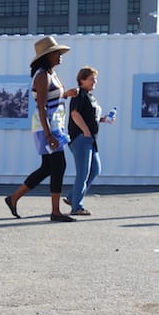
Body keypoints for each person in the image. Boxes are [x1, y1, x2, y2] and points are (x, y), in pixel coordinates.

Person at [5, 36, 78, 222]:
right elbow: (41, 106)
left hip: (53, 125)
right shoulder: (42, 75)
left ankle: (13, 198)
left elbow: (53, 98)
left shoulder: (50, 73)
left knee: (47, 167)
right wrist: (49, 134)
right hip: (47, 127)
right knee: (59, 165)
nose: (60, 55)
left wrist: (66, 94)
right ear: (47, 56)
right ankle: (55, 211)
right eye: (56, 53)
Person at [66, 66, 113, 216]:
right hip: (81, 139)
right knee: (83, 173)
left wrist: (103, 119)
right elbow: (75, 114)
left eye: (95, 79)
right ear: (82, 80)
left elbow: (90, 116)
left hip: (90, 140)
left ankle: (72, 197)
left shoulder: (90, 96)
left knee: (95, 170)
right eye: (92, 79)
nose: (95, 81)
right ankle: (77, 207)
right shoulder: (79, 94)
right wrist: (85, 131)